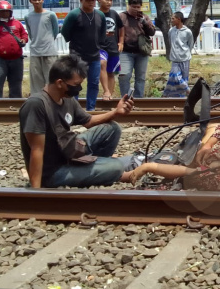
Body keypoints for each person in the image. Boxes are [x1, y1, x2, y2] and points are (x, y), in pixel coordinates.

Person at [19, 54, 136, 188]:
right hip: (54, 172)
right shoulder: (37, 105)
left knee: (112, 129)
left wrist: (116, 112)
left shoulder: (67, 98)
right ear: (59, 83)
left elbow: (89, 121)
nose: (78, 89)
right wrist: (36, 191)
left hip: (69, 151)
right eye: (76, 85)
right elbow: (37, 150)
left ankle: (95, 167)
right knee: (116, 166)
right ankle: (103, 169)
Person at [129, 118, 220, 191]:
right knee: (212, 126)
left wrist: (150, 167)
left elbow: (187, 172)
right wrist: (209, 144)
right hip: (207, 148)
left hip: (201, 167)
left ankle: (130, 170)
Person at [61, 0, 106, 110]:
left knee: (93, 83)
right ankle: (74, 108)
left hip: (94, 56)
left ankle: (90, 108)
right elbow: (65, 32)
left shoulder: (100, 15)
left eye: (93, 0)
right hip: (77, 56)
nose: (91, 2)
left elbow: (102, 33)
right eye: (87, 0)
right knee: (74, 83)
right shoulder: (74, 14)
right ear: (81, 0)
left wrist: (99, 46)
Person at [119, 0, 155, 98]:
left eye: (138, 7)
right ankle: (125, 99)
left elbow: (152, 32)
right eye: (133, 6)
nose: (136, 9)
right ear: (128, 6)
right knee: (124, 75)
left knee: (140, 78)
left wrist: (145, 22)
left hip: (141, 52)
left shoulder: (144, 17)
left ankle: (139, 99)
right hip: (126, 52)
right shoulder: (122, 16)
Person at [26, 0, 59, 95]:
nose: (37, 2)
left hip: (50, 52)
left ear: (42, 0)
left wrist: (47, 42)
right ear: (30, 1)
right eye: (34, 0)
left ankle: (52, 104)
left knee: (52, 80)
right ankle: (38, 104)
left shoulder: (51, 15)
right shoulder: (28, 17)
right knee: (36, 83)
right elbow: (31, 34)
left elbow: (55, 31)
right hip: (35, 53)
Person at [97, 0, 124, 100]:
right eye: (106, 0)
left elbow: (121, 28)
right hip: (100, 47)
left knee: (111, 73)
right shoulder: (95, 14)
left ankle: (110, 96)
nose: (109, 2)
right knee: (102, 64)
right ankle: (106, 91)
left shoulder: (114, 13)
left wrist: (121, 42)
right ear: (99, 0)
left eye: (110, 0)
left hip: (113, 47)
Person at [163, 12, 194, 97]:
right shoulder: (171, 31)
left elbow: (190, 44)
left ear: (179, 19)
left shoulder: (187, 32)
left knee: (183, 79)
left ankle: (180, 97)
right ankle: (188, 91)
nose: (171, 20)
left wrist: (185, 53)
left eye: (173, 18)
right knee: (175, 76)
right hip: (174, 59)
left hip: (185, 59)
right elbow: (170, 42)